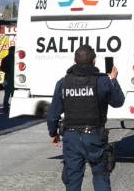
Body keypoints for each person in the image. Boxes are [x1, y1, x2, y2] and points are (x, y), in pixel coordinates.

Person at [47, 44, 125, 191]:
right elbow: (118, 102)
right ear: (94, 61)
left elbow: (53, 114)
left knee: (73, 179)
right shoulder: (102, 81)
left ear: (74, 60)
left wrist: (53, 133)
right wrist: (113, 80)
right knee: (101, 175)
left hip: (71, 138)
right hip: (95, 137)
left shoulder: (63, 83)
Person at [0, 45, 15, 113]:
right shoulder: (16, 58)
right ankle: (13, 107)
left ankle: (5, 107)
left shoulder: (5, 58)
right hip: (14, 79)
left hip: (7, 78)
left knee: (7, 94)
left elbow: (2, 69)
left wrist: (7, 71)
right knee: (13, 94)